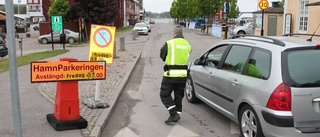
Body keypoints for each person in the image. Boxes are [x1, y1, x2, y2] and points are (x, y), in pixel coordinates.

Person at [159, 26, 192, 125]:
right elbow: (187, 53)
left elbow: (162, 55)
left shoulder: (169, 43)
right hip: (183, 75)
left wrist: (168, 59)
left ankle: (173, 114)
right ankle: (177, 113)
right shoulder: (188, 45)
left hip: (171, 75)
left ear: (174, 33)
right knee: (179, 95)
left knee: (164, 94)